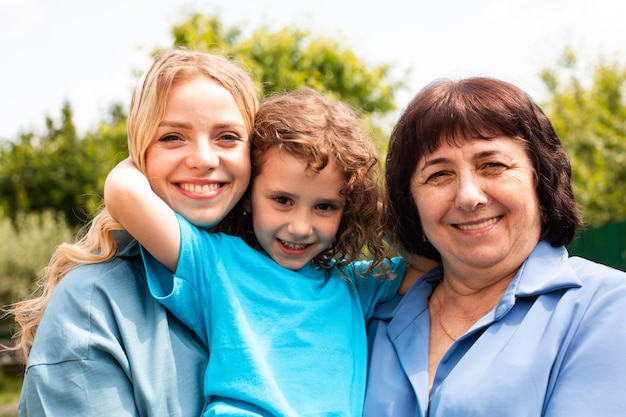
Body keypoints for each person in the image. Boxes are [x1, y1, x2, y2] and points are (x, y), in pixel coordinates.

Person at [104, 87, 424, 417]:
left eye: (325, 206)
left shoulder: (354, 285)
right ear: (247, 195)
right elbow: (123, 192)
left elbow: (431, 263)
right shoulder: (216, 262)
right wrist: (150, 147)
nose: (301, 227)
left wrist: (370, 210)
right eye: (282, 200)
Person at [10, 48, 259, 416]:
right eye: (172, 137)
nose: (204, 159)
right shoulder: (91, 304)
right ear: (138, 153)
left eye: (227, 137)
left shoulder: (289, 276)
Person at [363, 77, 626, 416]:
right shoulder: (373, 315)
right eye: (439, 174)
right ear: (410, 202)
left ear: (539, 179)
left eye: (493, 165)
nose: (469, 196)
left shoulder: (605, 307)